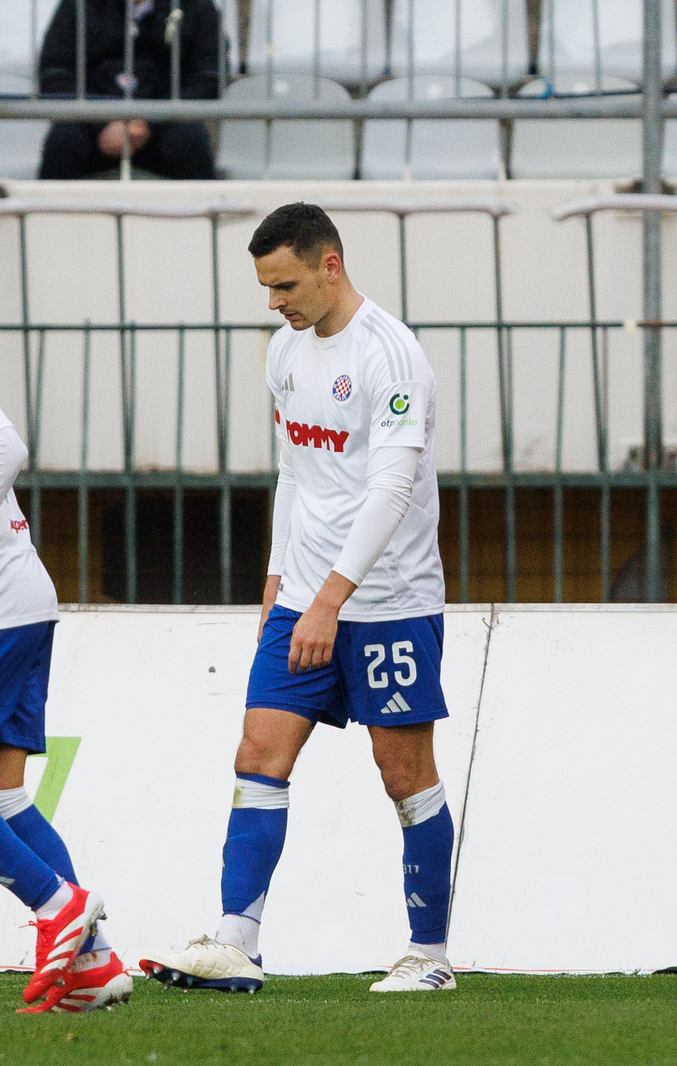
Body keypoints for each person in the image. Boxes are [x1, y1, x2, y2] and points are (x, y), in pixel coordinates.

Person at [139, 203, 456, 994]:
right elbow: (296, 472)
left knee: (403, 771)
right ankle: (236, 942)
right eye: (266, 287)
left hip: (388, 602)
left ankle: (430, 956)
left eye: (284, 283)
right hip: (304, 598)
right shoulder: (283, 351)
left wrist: (332, 600)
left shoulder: (392, 355)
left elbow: (391, 487)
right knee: (258, 755)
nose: (274, 302)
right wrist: (281, 578)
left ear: (330, 265)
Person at [0, 410, 131, 1014]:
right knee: (6, 798)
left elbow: (9, 445)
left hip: (5, 611)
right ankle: (93, 962)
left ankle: (59, 906)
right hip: (21, 601)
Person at [36, 0, 221, 180]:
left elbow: (209, 77)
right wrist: (102, 122)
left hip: (168, 120)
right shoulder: (78, 5)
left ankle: (199, 210)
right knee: (64, 141)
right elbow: (54, 73)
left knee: (189, 141)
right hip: (90, 122)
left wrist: (150, 121)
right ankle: (50, 211)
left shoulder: (196, 5)